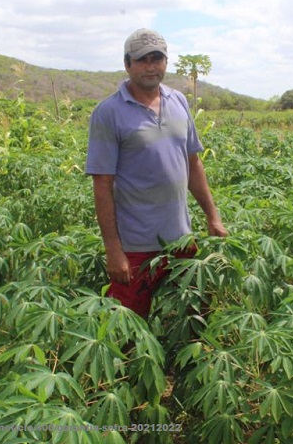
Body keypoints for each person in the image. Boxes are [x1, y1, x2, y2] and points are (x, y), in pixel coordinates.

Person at [85, 28, 227, 319]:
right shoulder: (108, 112)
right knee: (128, 325)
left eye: (157, 58)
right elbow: (102, 184)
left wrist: (213, 216)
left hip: (181, 239)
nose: (150, 66)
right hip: (136, 245)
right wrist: (113, 250)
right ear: (127, 64)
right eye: (142, 60)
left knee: (189, 320)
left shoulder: (178, 101)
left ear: (165, 62)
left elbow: (193, 163)